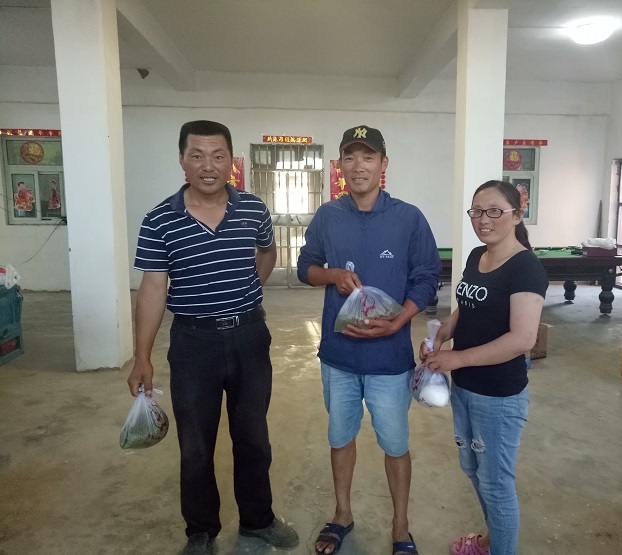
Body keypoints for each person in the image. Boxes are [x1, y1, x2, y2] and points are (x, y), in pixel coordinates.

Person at [127, 120, 298, 555]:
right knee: (196, 445)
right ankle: (200, 531)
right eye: (197, 156)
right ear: (182, 160)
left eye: (218, 156)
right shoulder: (160, 220)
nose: (208, 166)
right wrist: (142, 356)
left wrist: (247, 293)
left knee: (254, 438)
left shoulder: (253, 209)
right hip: (193, 343)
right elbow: (153, 288)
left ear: (230, 162)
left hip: (249, 338)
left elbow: (266, 252)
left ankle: (258, 520)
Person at [297, 125, 439, 555]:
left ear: (383, 163)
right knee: (340, 437)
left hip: (389, 359)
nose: (358, 166)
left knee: (395, 444)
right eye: (350, 157)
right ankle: (342, 514)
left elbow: (426, 278)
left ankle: (400, 527)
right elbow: (305, 267)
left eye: (368, 156)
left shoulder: (408, 218)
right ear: (340, 164)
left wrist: (399, 323)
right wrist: (332, 274)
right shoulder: (328, 216)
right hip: (338, 356)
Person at [420, 180, 548, 555]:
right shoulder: (478, 255)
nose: (483, 219)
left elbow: (522, 339)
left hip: (498, 396)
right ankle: (493, 541)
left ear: (517, 215)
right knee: (474, 469)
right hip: (465, 388)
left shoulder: (526, 268)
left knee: (496, 484)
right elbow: (467, 306)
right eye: (476, 211)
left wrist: (457, 357)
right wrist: (443, 333)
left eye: (494, 211)